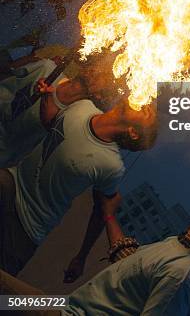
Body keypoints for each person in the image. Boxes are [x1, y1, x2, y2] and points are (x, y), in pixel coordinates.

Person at [0, 196, 190, 316]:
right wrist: (107, 213)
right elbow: (127, 257)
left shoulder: (183, 276)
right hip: (64, 304)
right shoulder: (180, 248)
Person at [0, 91, 157, 280]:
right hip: (11, 183)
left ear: (133, 132)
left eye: (148, 113)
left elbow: (101, 211)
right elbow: (53, 124)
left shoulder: (111, 165)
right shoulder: (84, 106)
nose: (147, 103)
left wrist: (81, 257)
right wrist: (47, 96)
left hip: (28, 225)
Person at [0, 51, 121, 167]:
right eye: (98, 65)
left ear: (99, 95)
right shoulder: (47, 68)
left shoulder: (74, 116)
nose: (96, 70)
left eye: (104, 76)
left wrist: (48, 105)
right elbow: (6, 74)